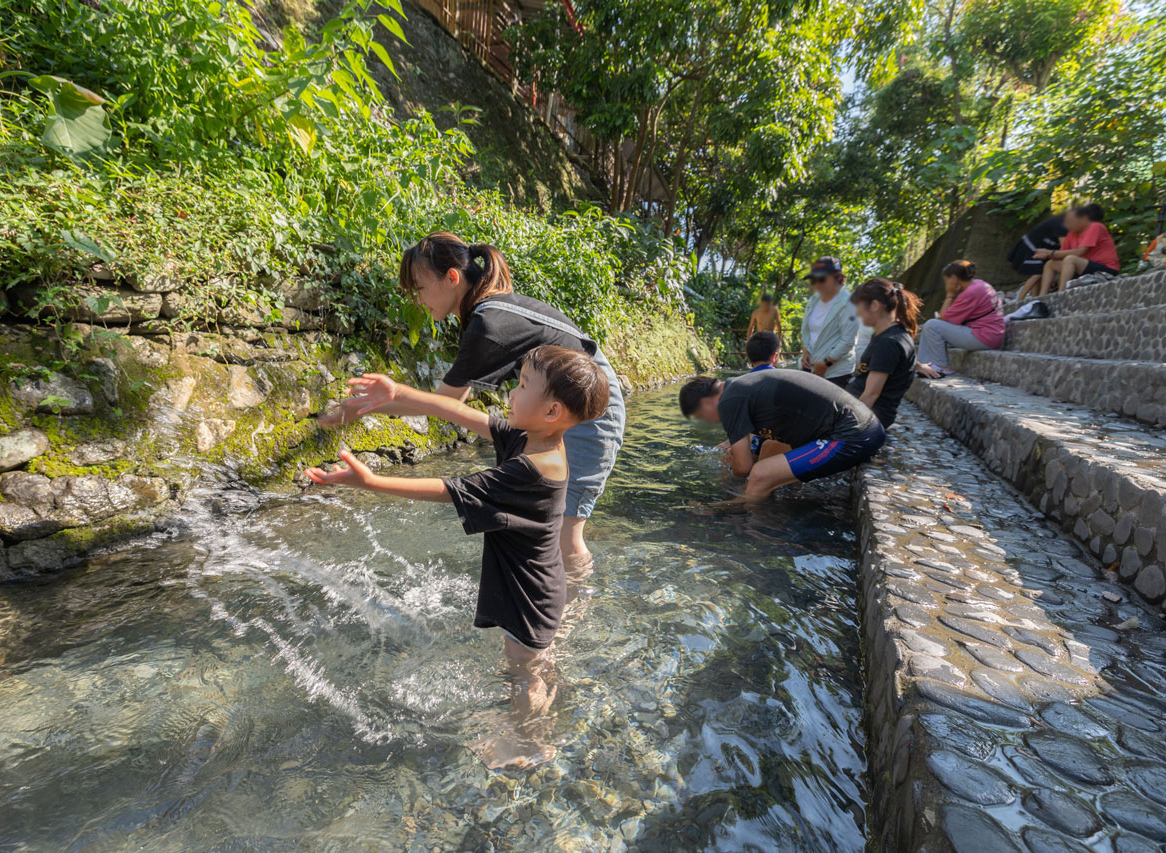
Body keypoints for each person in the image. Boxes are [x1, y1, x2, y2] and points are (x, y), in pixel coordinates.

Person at [304, 345, 610, 768]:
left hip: (530, 598)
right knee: (532, 660)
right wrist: (398, 393)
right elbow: (462, 414)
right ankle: (538, 712)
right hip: (539, 585)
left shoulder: (532, 469)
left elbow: (451, 490)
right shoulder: (533, 438)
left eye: (522, 386)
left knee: (523, 670)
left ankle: (529, 742)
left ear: (553, 411)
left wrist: (371, 482)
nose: (511, 393)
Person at [320, 232, 625, 572]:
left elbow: (442, 403)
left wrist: (355, 410)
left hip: (589, 410)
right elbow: (449, 406)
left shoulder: (487, 323)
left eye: (419, 289)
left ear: (452, 278)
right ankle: (552, 600)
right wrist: (366, 407)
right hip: (573, 402)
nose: (417, 301)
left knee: (565, 533)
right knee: (545, 524)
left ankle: (574, 611)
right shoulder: (491, 311)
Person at [678, 369, 885, 503]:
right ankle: (767, 504)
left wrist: (734, 468)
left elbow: (743, 468)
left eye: (700, 417)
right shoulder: (740, 387)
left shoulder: (729, 401)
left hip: (852, 434)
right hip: (863, 426)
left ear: (706, 403)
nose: (707, 422)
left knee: (760, 474)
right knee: (767, 452)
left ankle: (740, 522)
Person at [847, 278, 921, 428]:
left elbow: (871, 395)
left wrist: (844, 425)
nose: (857, 313)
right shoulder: (887, 334)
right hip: (863, 409)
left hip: (871, 417)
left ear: (874, 306)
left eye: (858, 306)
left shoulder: (889, 342)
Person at [916, 260, 1004, 379]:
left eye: (946, 280)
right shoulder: (980, 284)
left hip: (985, 337)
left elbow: (943, 318)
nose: (946, 283)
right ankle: (925, 366)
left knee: (932, 325)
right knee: (929, 327)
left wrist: (950, 295)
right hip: (991, 335)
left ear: (953, 278)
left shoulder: (972, 292)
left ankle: (942, 367)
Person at [800, 257, 860, 388]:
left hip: (835, 372)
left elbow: (848, 340)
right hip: (811, 368)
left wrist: (826, 363)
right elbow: (806, 331)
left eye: (822, 279)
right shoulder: (813, 301)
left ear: (837, 278)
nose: (817, 284)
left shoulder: (848, 303)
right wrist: (805, 352)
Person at [1037, 204, 1120, 295]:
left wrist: (1050, 252)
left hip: (1106, 269)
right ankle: (1042, 296)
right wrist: (1046, 254)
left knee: (1070, 259)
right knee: (1050, 264)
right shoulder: (1072, 233)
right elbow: (1060, 255)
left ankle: (1061, 293)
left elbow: (1079, 252)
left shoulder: (1095, 226)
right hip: (1084, 267)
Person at [1009, 213, 1066, 301]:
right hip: (1033, 247)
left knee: (1039, 272)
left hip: (1039, 247)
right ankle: (1020, 299)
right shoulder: (1062, 225)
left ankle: (1035, 298)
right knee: (1038, 273)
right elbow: (1064, 247)